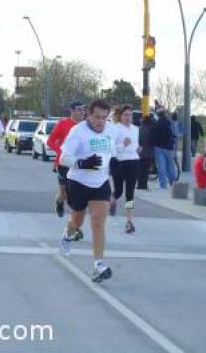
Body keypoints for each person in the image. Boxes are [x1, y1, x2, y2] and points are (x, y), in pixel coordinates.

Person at [59, 99, 116, 283]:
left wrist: (113, 182)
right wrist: (81, 163)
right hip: (78, 181)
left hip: (100, 183)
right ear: (88, 115)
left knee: (98, 223)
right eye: (97, 117)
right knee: (77, 221)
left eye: (104, 117)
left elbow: (111, 157)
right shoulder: (78, 131)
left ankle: (99, 265)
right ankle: (68, 235)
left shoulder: (111, 130)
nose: (100, 121)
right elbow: (63, 159)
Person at [47, 101, 86, 222]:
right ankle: (59, 203)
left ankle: (75, 220)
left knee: (76, 195)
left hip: (79, 164)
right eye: (79, 109)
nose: (82, 112)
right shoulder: (63, 124)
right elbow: (50, 141)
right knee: (63, 193)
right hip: (64, 163)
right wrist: (62, 151)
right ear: (72, 110)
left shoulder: (86, 126)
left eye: (83, 110)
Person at [109, 105, 140, 234]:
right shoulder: (115, 129)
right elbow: (111, 149)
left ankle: (129, 221)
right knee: (119, 191)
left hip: (133, 162)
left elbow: (136, 144)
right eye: (125, 115)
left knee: (130, 194)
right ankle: (112, 201)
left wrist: (138, 148)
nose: (128, 117)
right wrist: (123, 145)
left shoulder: (135, 129)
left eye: (130, 115)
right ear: (120, 116)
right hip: (119, 163)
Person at [150, 108, 176, 189]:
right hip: (169, 148)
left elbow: (153, 136)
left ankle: (163, 185)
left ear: (157, 115)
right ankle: (173, 182)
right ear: (164, 114)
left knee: (161, 167)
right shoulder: (170, 123)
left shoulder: (156, 124)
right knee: (171, 166)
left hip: (159, 148)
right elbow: (174, 134)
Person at [137, 115, 155, 191]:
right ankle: (144, 185)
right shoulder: (151, 128)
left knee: (141, 169)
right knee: (146, 170)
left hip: (141, 151)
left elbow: (139, 140)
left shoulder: (141, 128)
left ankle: (140, 185)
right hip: (150, 152)